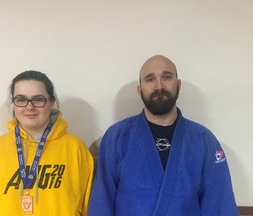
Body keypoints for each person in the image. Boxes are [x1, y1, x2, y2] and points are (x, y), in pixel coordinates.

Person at [88, 55, 238, 216]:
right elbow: (101, 203)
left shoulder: (204, 140)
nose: (159, 86)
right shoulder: (116, 137)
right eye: (150, 79)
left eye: (166, 77)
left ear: (178, 85)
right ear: (139, 89)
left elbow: (219, 205)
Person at [0, 70, 94, 216]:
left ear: (51, 102)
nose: (30, 107)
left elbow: (90, 207)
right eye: (21, 100)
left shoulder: (76, 148)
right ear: (14, 104)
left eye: (38, 99)